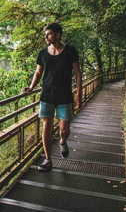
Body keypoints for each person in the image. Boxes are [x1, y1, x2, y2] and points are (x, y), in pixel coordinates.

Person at [22, 23, 82, 171]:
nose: (46, 37)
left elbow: (78, 74)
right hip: (47, 94)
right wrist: (31, 87)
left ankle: (62, 141)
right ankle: (48, 159)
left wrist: (79, 95)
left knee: (64, 129)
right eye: (46, 34)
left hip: (65, 95)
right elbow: (38, 73)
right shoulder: (42, 53)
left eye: (49, 34)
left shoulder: (70, 51)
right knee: (46, 126)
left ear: (57, 35)